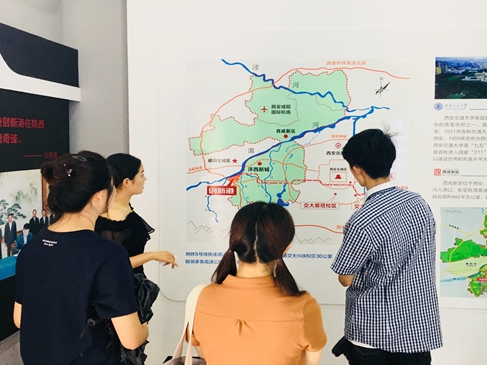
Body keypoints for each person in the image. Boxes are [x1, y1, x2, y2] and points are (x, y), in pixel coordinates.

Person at [14, 151, 148, 364]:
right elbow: (131, 339)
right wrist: (144, 326)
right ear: (100, 196)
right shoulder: (108, 254)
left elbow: (20, 319)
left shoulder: (32, 247)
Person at [331, 129, 442, 365]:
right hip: (416, 328)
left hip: (373, 332)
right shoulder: (418, 203)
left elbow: (345, 278)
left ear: (357, 169)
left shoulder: (363, 220)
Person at [191, 202, 327, 365]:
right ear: (286, 248)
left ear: (236, 242)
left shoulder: (202, 299)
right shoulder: (303, 307)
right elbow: (310, 363)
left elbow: (205, 357)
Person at [95, 153, 177, 274]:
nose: (145, 179)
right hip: (121, 283)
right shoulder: (113, 216)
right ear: (127, 182)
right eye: (141, 174)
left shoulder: (124, 208)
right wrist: (152, 255)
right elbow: (113, 264)